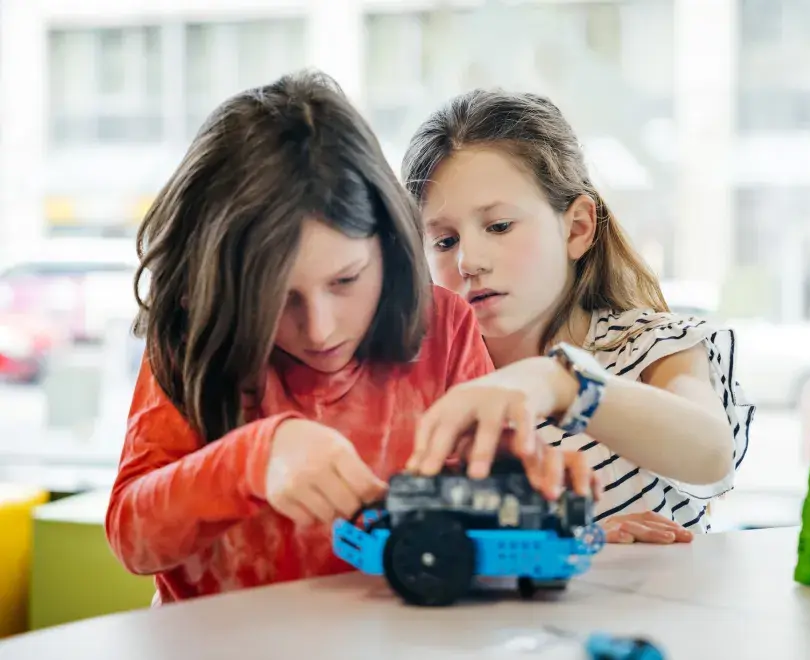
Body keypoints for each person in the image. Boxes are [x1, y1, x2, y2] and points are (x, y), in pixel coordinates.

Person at [105, 71, 596, 604]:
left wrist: (521, 475)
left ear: (390, 244)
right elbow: (134, 540)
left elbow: (473, 494)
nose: (319, 328)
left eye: (345, 281)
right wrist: (251, 460)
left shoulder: (445, 328)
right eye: (279, 299)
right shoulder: (198, 337)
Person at [401, 89, 755, 543]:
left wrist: (563, 383)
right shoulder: (422, 380)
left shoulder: (651, 347)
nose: (469, 260)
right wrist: (574, 538)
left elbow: (710, 452)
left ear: (578, 227)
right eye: (445, 241)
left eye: (499, 226)